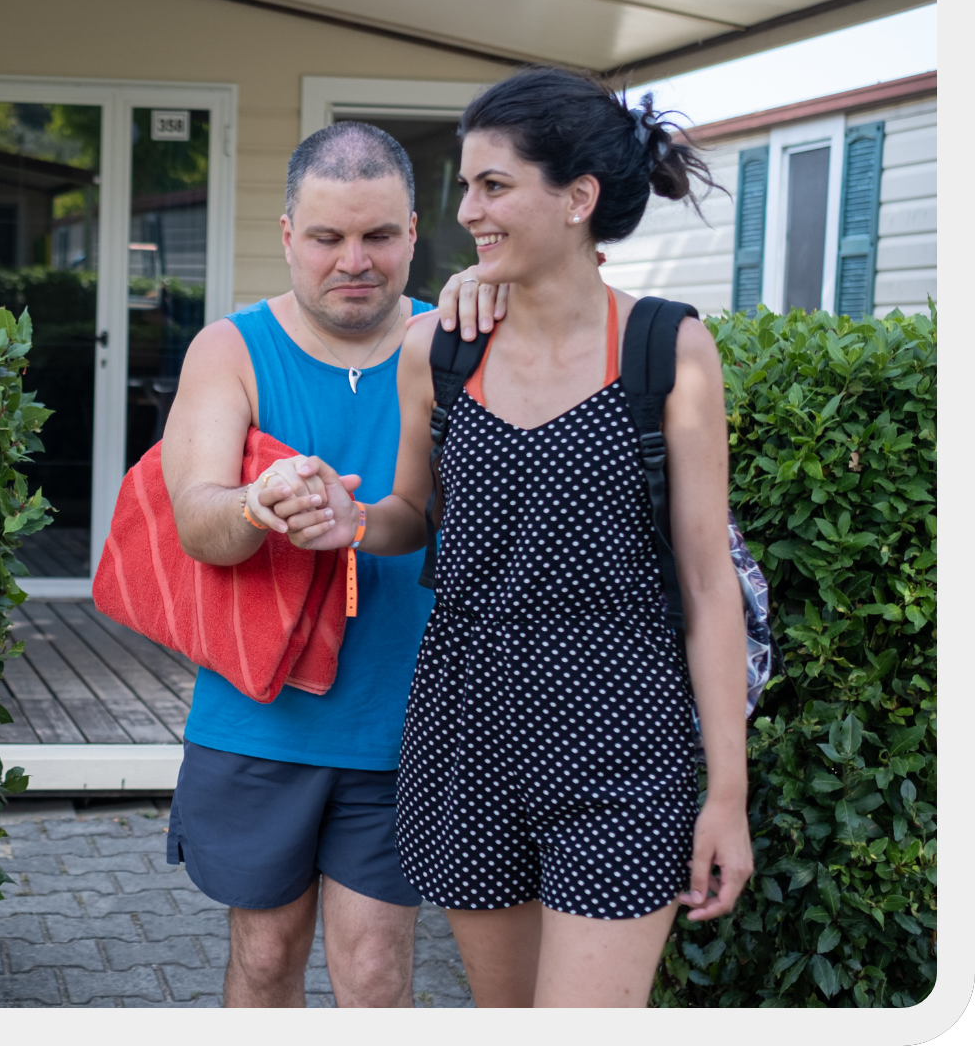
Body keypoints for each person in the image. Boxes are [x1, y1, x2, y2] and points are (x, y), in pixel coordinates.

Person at [278, 68, 754, 1008]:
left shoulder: (667, 350)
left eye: (493, 185)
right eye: (466, 185)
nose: (467, 210)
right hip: (467, 729)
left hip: (620, 736)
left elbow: (708, 587)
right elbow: (415, 514)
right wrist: (354, 521)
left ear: (578, 198)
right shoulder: (440, 348)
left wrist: (725, 797)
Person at [159, 120, 505, 1008]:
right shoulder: (229, 350)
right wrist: (254, 506)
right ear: (287, 237)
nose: (355, 259)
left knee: (377, 972)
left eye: (379, 235)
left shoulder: (462, 343)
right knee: (267, 957)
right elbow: (197, 522)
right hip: (256, 718)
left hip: (408, 718)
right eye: (327, 237)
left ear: (415, 235)